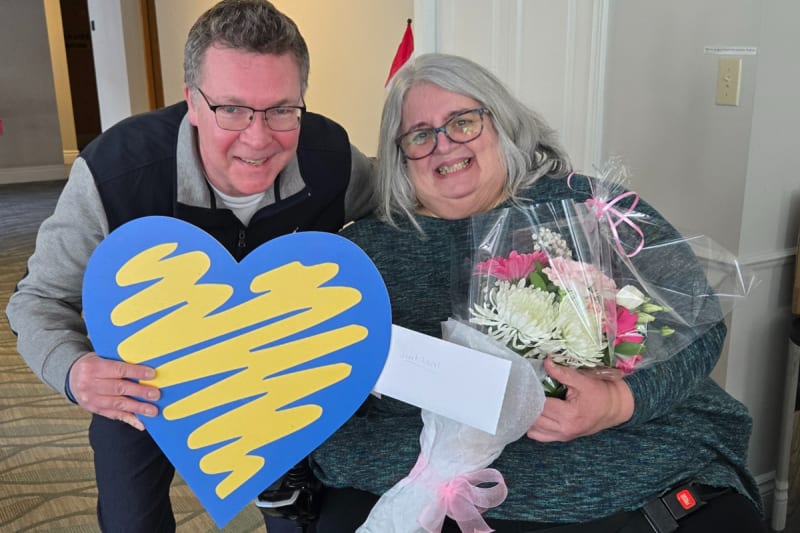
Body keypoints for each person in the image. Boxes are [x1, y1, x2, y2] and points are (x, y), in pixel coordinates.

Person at [308, 53, 766, 532]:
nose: (444, 145)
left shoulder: (587, 205)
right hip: (447, 490)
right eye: (420, 135)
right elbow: (325, 400)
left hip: (643, 475)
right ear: (399, 155)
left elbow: (699, 321)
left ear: (502, 124)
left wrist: (618, 404)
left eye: (463, 122)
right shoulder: (363, 251)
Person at [5, 1, 373, 531]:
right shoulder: (115, 173)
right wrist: (72, 370)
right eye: (231, 109)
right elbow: (38, 299)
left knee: (303, 514)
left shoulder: (332, 157)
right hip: (144, 373)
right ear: (192, 103)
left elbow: (398, 207)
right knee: (132, 518)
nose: (258, 136)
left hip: (277, 363)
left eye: (281, 109)